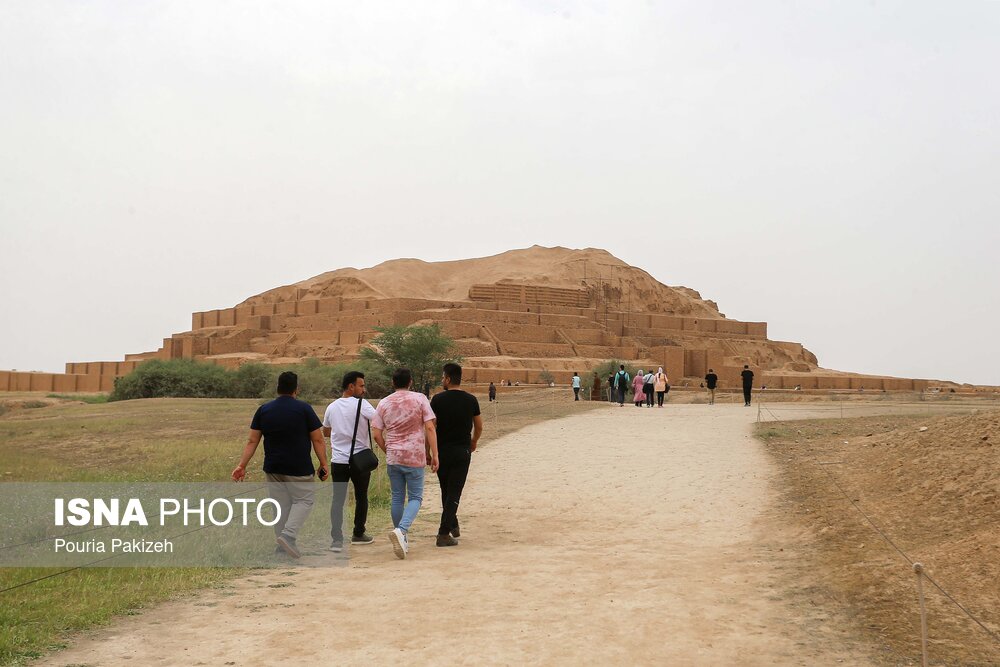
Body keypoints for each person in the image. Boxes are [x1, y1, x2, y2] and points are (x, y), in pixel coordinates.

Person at [232, 371, 328, 559]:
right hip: (299, 467)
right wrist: (323, 463)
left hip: (273, 467)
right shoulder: (304, 409)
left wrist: (241, 465)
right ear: (296, 389)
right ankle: (288, 536)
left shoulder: (264, 410)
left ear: (278, 388)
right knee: (304, 500)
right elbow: (318, 439)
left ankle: (281, 547)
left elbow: (252, 441)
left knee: (280, 506)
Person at [372, 368, 439, 560]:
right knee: (416, 497)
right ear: (410, 381)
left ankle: (402, 537)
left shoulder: (384, 403)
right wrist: (434, 454)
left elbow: (377, 434)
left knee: (397, 498)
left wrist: (389, 450)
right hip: (414, 455)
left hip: (394, 456)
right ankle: (401, 531)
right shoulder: (419, 399)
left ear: (393, 382)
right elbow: (429, 427)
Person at [322, 371, 376, 552]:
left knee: (337, 500)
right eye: (361, 385)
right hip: (360, 459)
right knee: (361, 497)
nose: (364, 389)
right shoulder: (363, 405)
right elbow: (377, 421)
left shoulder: (332, 407)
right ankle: (358, 533)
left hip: (338, 460)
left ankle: (336, 540)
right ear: (351, 386)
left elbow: (326, 432)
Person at [430, 363, 482, 547]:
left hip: (443, 451)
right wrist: (474, 441)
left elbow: (431, 427)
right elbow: (479, 425)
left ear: (448, 379)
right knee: (454, 492)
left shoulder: (437, 400)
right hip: (462, 451)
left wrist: (430, 451)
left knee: (446, 490)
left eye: (443, 377)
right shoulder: (471, 400)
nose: (441, 380)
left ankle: (451, 524)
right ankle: (444, 533)